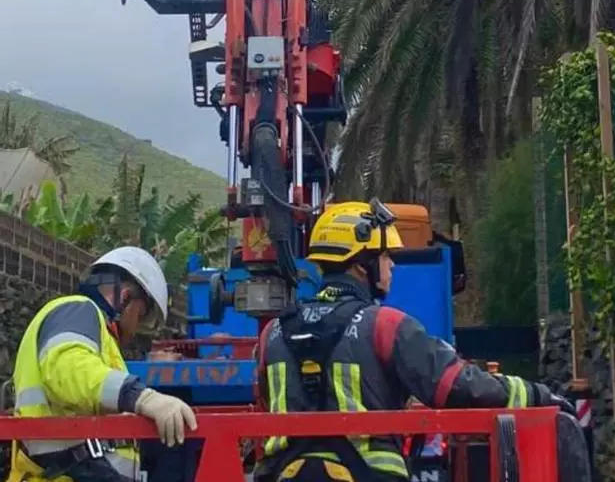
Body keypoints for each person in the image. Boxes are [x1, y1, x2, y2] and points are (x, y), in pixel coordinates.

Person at [253, 199, 574, 482]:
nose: (391, 265)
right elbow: (458, 387)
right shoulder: (385, 326)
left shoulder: (274, 334)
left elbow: (266, 403)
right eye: (385, 257)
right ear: (361, 265)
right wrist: (535, 394)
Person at [7, 246, 198, 482]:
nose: (135, 329)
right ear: (125, 296)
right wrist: (141, 397)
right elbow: (69, 369)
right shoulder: (78, 310)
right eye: (139, 315)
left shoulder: (96, 335)